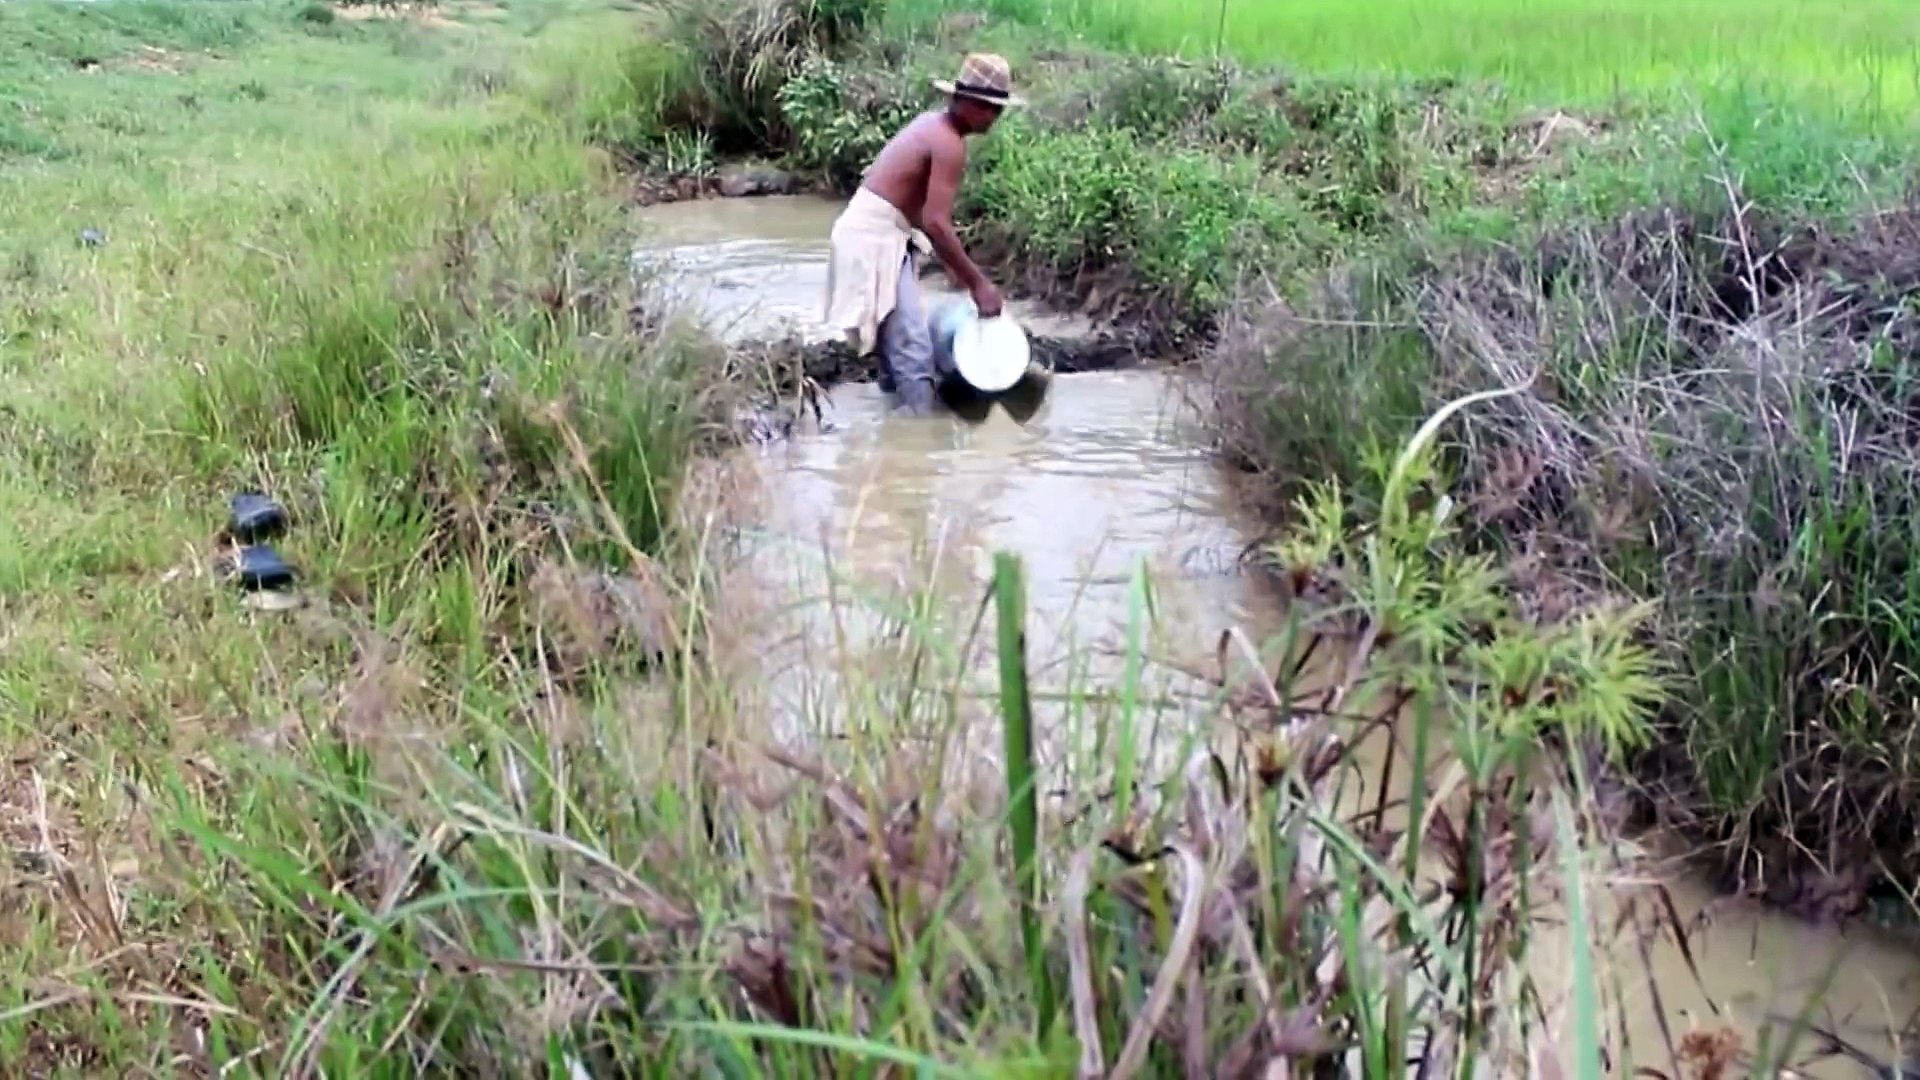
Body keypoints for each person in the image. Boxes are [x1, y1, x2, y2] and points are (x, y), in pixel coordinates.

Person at [823, 53, 1024, 415]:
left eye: (997, 109)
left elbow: (918, 211)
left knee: (896, 347)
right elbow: (936, 221)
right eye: (987, 107)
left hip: (873, 233)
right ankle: (918, 441)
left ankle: (895, 427)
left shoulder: (931, 125)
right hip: (873, 238)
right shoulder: (949, 144)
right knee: (913, 348)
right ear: (962, 101)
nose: (994, 117)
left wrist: (951, 263)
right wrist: (978, 283)